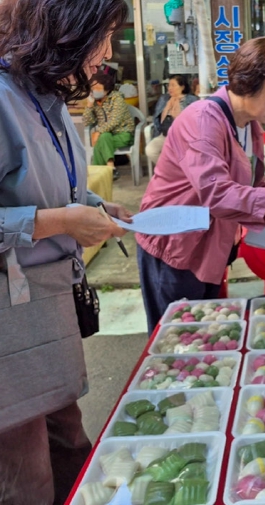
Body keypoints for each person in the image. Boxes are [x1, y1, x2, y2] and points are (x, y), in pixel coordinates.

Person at [0, 0, 132, 503]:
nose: (108, 53)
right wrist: (60, 223)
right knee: (26, 473)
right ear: (67, 28)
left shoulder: (42, 96)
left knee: (71, 446)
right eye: (103, 36)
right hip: (11, 326)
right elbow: (43, 211)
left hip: (47, 309)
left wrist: (95, 206)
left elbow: (47, 188)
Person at [137, 37, 265, 334]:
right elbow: (218, 195)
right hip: (175, 250)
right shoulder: (202, 121)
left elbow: (256, 186)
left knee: (204, 337)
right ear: (249, 82)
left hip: (210, 249)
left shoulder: (250, 126)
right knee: (177, 341)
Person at [82, 70, 135, 179]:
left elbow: (115, 120)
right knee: (104, 137)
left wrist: (98, 132)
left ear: (106, 89)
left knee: (101, 140)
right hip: (106, 136)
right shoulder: (94, 102)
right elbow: (87, 122)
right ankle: (110, 167)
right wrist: (89, 106)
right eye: (92, 88)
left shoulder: (116, 98)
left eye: (98, 88)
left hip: (123, 134)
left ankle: (97, 175)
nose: (94, 90)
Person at [145, 74, 198, 166]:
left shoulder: (191, 100)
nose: (170, 88)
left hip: (183, 137)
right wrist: (168, 106)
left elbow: (193, 121)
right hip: (165, 135)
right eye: (168, 85)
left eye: (173, 85)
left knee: (182, 153)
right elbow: (158, 119)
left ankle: (178, 170)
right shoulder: (164, 99)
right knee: (151, 150)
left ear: (182, 87)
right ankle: (169, 170)